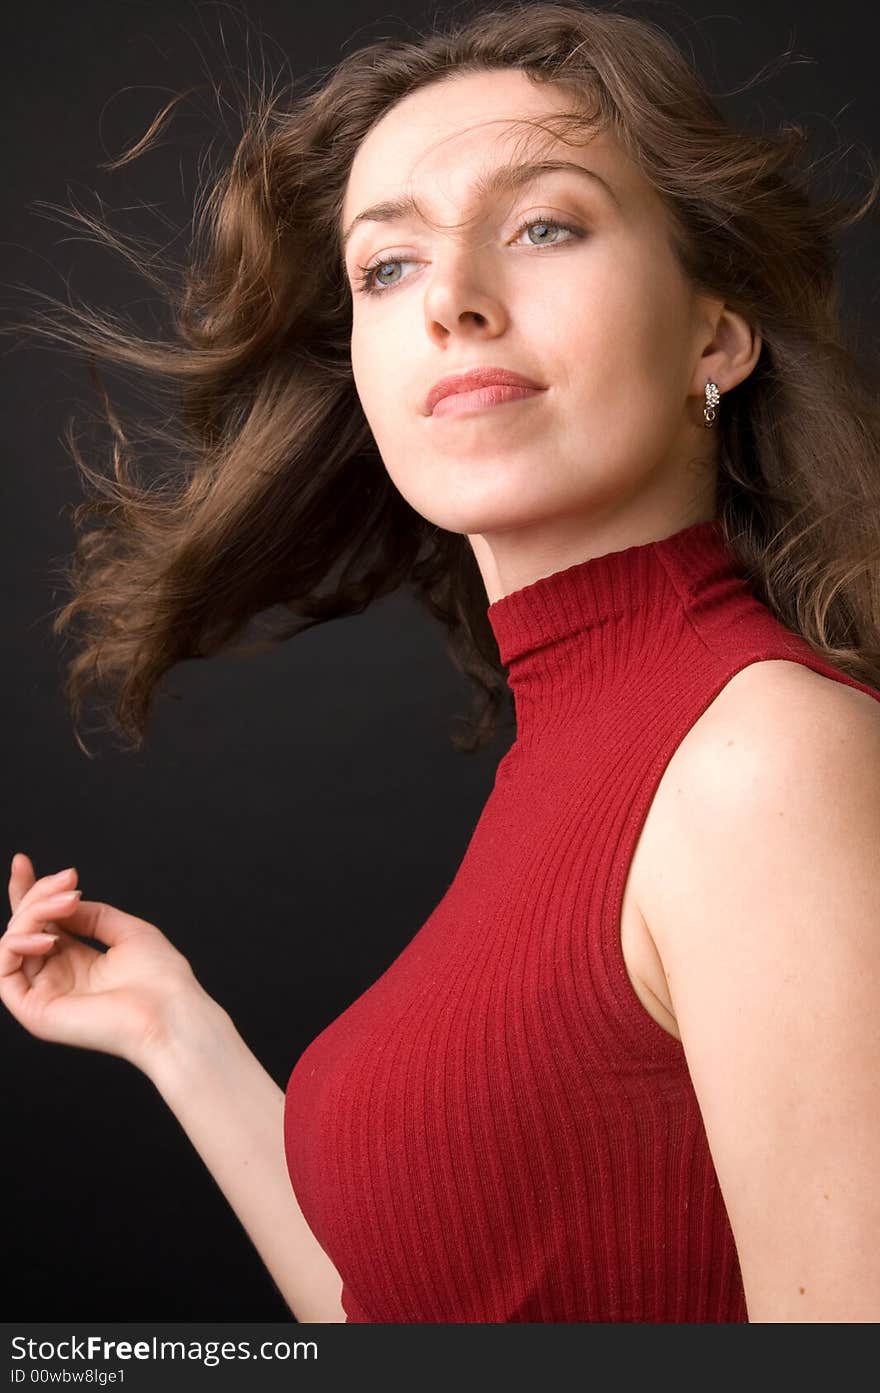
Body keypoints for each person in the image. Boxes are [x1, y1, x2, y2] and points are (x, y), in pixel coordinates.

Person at [4, 0, 880, 1323]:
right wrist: (170, 1029)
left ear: (716, 331)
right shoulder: (580, 757)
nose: (454, 302)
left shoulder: (765, 760)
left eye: (543, 225)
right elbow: (413, 1315)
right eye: (386, 268)